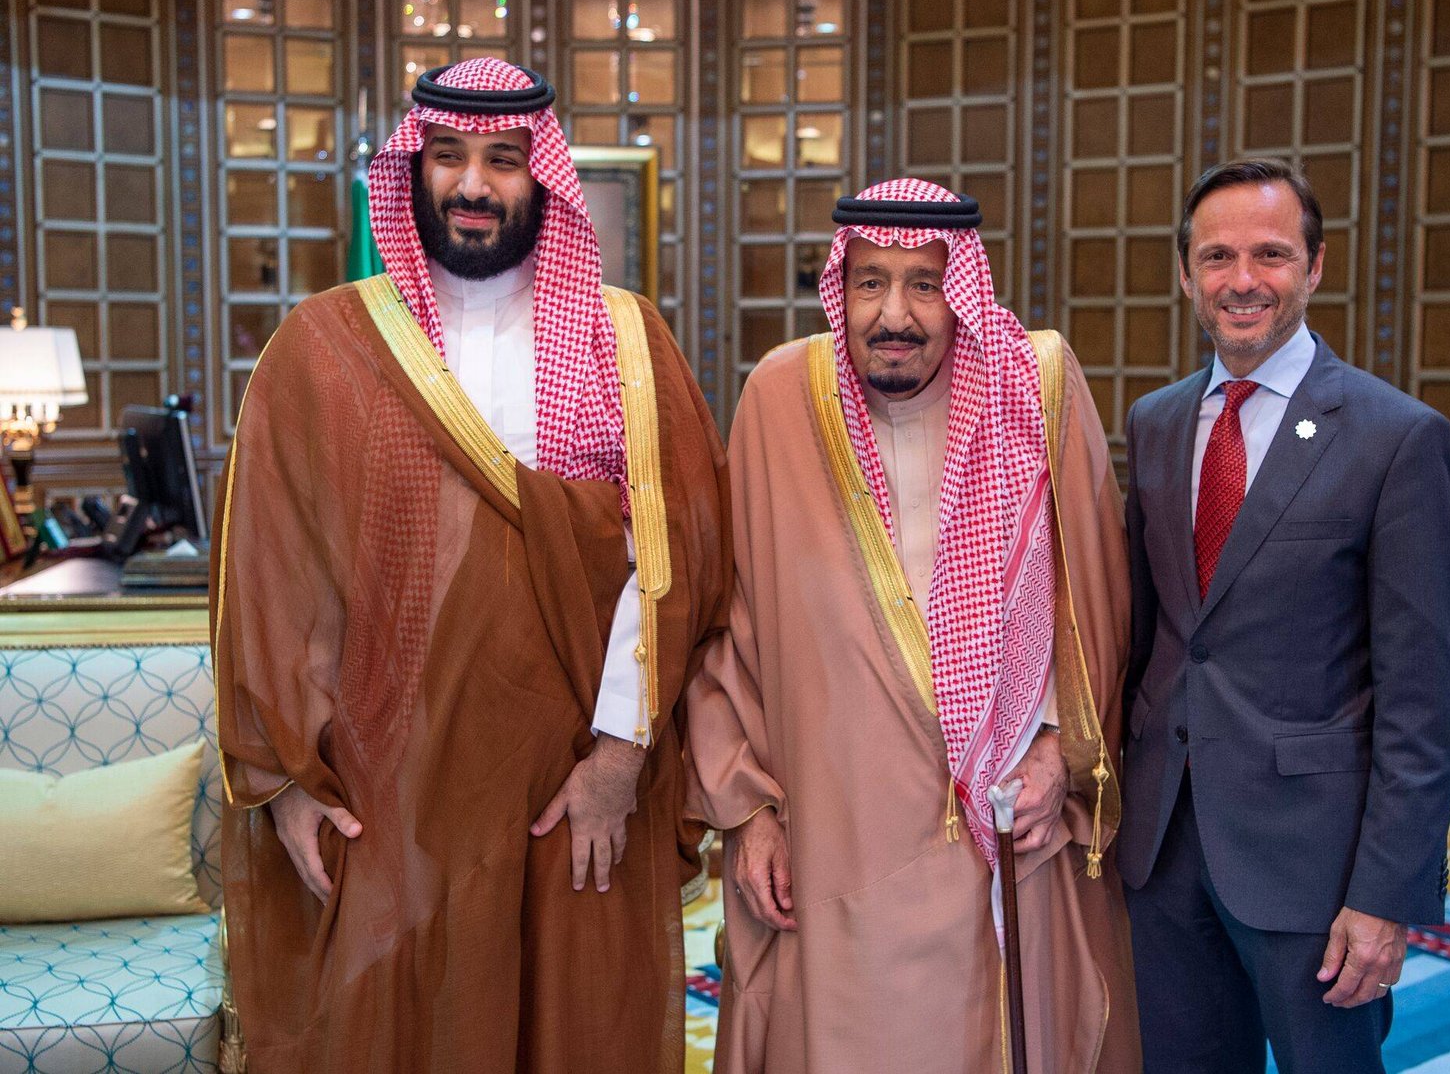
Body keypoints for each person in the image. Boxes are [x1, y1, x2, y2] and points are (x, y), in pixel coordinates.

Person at [211, 58, 729, 1072]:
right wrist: (287, 784)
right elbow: (277, 570)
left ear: (544, 177)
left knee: (575, 1028)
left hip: (571, 782)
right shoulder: (327, 347)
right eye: (448, 156)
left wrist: (618, 762)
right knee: (406, 1030)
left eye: (503, 159)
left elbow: (678, 558)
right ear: (413, 170)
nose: (473, 184)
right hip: (393, 792)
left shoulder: (627, 342)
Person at [688, 178, 1141, 1072]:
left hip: (1008, 824)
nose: (893, 314)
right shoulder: (779, 399)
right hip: (833, 827)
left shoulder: (1034, 388)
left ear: (961, 291)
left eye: (925, 284)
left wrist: (1063, 750)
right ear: (838, 287)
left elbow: (1096, 601)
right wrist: (749, 812)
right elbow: (727, 627)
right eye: (869, 282)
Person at [1119, 158, 1450, 1072]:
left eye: (1270, 254)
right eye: (1217, 256)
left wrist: (1386, 894)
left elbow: (1420, 699)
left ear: (1314, 267)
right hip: (1162, 847)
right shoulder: (1154, 424)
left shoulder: (1397, 438)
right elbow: (1150, 638)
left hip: (1315, 868)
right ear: (1185, 274)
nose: (1242, 280)